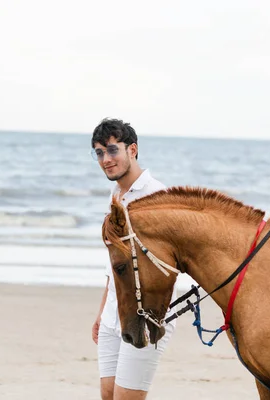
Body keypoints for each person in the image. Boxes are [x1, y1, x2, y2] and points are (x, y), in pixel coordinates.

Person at [90, 118, 177, 400]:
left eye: (112, 150)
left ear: (133, 150)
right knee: (107, 394)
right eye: (100, 153)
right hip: (114, 314)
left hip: (146, 315)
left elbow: (168, 267)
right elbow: (115, 264)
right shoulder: (115, 194)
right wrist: (103, 312)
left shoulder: (157, 196)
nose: (106, 159)